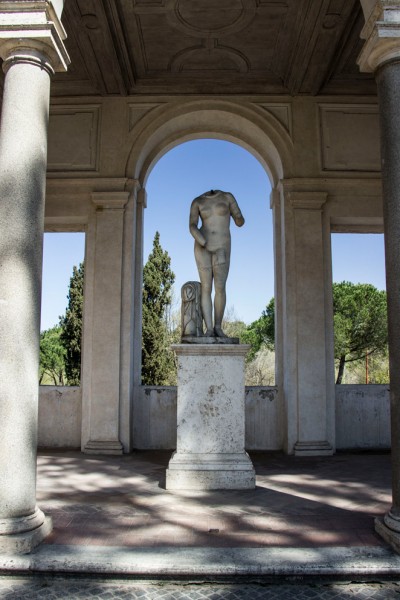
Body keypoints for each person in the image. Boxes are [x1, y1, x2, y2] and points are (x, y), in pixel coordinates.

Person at [189, 189, 245, 337]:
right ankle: (209, 329)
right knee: (206, 287)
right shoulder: (198, 201)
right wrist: (201, 240)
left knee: (220, 287)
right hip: (202, 246)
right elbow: (192, 225)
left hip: (221, 245)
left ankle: (218, 326)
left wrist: (237, 215)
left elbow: (240, 221)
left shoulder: (227, 197)